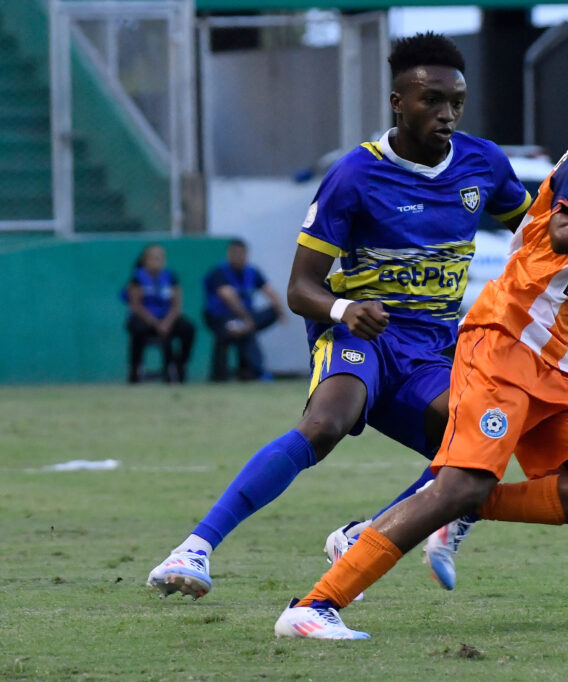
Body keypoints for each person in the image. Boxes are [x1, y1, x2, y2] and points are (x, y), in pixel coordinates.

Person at [273, 54, 568, 640]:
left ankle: (463, 509)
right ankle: (314, 606)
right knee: (461, 480)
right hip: (510, 343)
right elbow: (566, 230)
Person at [147, 33, 532, 601]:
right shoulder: (355, 175)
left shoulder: (484, 164)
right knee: (325, 425)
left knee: (473, 452)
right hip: (359, 336)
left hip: (432, 351)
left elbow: (542, 239)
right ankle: (194, 548)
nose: (446, 114)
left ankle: (363, 536)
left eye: (456, 101)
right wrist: (347, 308)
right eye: (431, 100)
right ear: (398, 102)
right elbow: (299, 288)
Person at [202, 239, 287, 381]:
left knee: (255, 324)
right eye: (234, 253)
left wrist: (281, 311)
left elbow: (269, 291)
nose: (238, 257)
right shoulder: (219, 272)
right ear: (229, 254)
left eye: (241, 253)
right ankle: (253, 372)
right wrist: (246, 319)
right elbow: (228, 296)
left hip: (247, 317)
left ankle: (249, 370)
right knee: (237, 330)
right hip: (221, 317)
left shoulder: (252, 272)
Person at [123, 243, 195, 383]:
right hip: (146, 320)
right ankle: (135, 369)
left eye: (160, 257)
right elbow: (136, 306)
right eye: (153, 258)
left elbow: (176, 305)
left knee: (188, 328)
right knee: (137, 329)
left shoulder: (170, 277)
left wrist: (166, 323)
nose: (157, 261)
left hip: (167, 319)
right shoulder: (137, 278)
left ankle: (180, 365)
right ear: (145, 260)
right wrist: (156, 324)